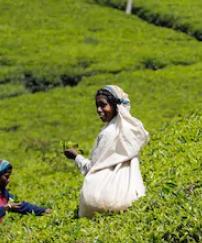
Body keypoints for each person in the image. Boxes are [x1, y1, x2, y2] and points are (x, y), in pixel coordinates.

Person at [63, 85, 149, 218]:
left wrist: (76, 157)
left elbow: (92, 168)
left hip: (100, 202)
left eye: (103, 105)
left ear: (115, 105)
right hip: (131, 197)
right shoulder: (130, 128)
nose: (99, 110)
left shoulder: (108, 133)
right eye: (97, 106)